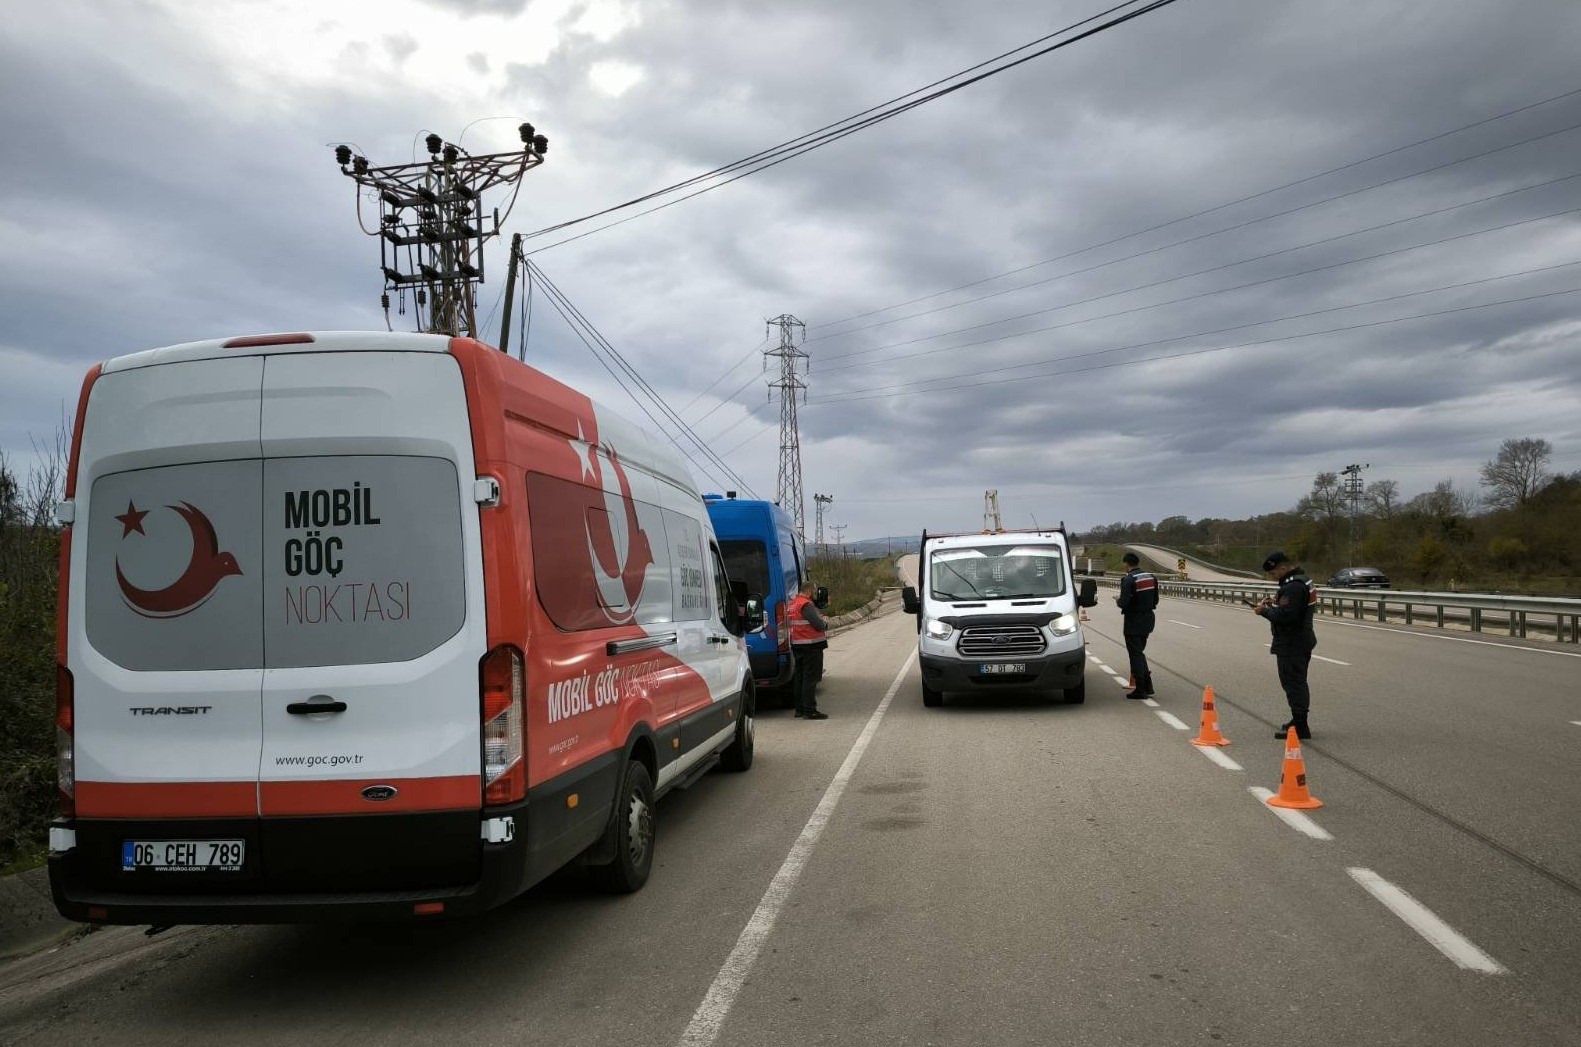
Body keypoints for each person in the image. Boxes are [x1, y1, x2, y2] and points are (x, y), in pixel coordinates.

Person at [1253, 551, 1318, 739]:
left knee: (1293, 683)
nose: (1273, 578)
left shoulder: (1293, 587)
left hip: (1292, 642)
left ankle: (1300, 725)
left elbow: (1286, 616)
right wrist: (1275, 603)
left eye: (1274, 574)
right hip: (1301, 639)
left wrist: (1264, 611)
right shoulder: (1303, 580)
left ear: (1283, 568)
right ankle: (1298, 720)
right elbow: (1293, 608)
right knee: (1296, 682)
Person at [1115, 552, 1159, 698]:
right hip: (1148, 619)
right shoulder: (1151, 577)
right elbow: (1155, 600)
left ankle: (1140, 689)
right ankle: (1147, 686)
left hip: (1134, 621)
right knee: (1139, 652)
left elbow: (1124, 603)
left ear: (1127, 564)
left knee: (1135, 654)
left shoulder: (1128, 580)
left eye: (1124, 564)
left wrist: (1118, 600)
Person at [788, 578, 829, 720]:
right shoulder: (806, 604)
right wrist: (825, 622)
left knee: (800, 678)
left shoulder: (793, 604)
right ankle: (810, 709)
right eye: (815, 590)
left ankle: (799, 709)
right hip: (811, 646)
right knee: (810, 678)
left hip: (798, 644)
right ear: (809, 590)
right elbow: (818, 624)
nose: (816, 594)